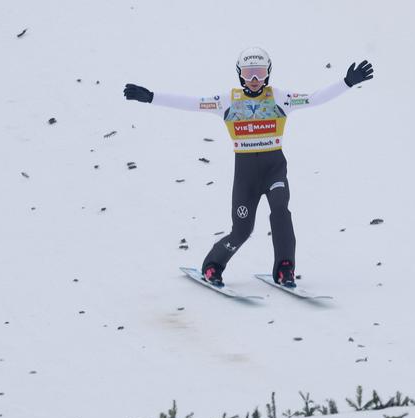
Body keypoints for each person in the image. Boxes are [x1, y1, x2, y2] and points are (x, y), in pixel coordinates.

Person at [124, 47, 373, 288]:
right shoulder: (226, 102)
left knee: (280, 211)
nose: (254, 79)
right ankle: (213, 265)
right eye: (248, 73)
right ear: (239, 74)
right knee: (242, 230)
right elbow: (192, 103)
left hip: (274, 170)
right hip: (246, 178)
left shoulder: (280, 98)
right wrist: (152, 97)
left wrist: (347, 82)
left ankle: (285, 268)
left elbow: (314, 98)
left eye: (260, 73)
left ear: (268, 73)